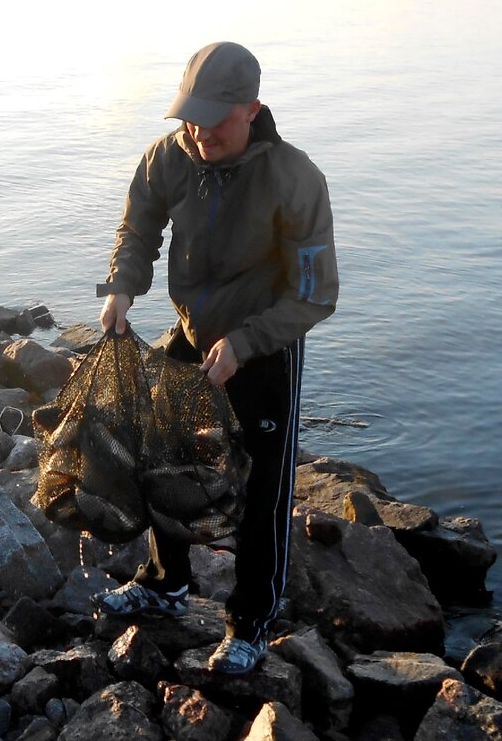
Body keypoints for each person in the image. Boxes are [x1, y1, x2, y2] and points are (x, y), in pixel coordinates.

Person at [90, 41, 339, 675]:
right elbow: (139, 226)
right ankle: (167, 582)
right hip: (193, 333)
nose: (199, 132)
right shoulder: (169, 157)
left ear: (252, 108)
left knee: (264, 490)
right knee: (159, 458)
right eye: (190, 116)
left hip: (265, 348)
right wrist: (122, 285)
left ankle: (252, 620)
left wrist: (247, 343)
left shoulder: (295, 177)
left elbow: (314, 295)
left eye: (215, 119)